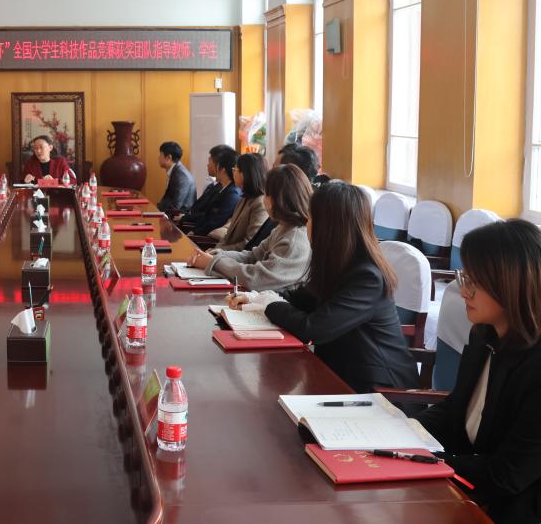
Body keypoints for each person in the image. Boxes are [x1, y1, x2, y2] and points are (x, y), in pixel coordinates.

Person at [227, 180, 418, 394]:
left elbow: (313, 329)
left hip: (378, 390)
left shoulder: (367, 277)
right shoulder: (339, 261)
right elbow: (301, 298)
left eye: (310, 218)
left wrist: (269, 304)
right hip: (339, 373)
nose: (306, 224)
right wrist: (256, 298)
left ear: (328, 226)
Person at [416, 219, 541, 523]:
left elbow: (507, 475)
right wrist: (401, 430)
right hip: (473, 493)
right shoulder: (484, 334)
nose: (464, 291)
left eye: (475, 282)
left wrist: (424, 460)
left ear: (511, 285)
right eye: (465, 277)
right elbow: (457, 408)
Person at [190, 164, 311, 292]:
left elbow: (256, 279)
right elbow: (252, 256)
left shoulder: (294, 240)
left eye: (266, 194)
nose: (263, 200)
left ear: (278, 199)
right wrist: (217, 254)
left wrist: (214, 262)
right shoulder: (284, 227)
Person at [209, 152, 269, 251]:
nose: (233, 173)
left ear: (245, 174)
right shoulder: (244, 199)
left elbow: (250, 243)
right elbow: (227, 236)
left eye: (235, 170)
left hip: (237, 257)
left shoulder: (260, 203)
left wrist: (220, 252)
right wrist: (216, 249)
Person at [179, 147, 241, 236]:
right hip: (198, 232)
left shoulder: (232, 193)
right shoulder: (224, 189)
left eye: (212, 162)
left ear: (221, 168)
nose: (208, 165)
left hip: (205, 239)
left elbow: (215, 222)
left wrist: (194, 233)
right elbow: (207, 217)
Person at [156, 141, 196, 213]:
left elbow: (176, 206)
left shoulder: (181, 175)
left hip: (180, 217)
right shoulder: (176, 170)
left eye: (161, 155)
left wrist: (159, 214)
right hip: (172, 213)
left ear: (168, 157)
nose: (158, 158)